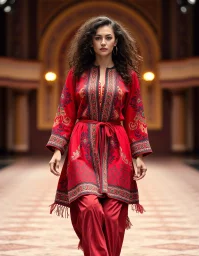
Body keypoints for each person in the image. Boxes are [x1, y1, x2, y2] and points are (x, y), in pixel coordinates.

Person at [46, 16, 152, 256]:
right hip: (82, 144)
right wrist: (57, 150)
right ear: (90, 42)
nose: (103, 42)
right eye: (98, 38)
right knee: (89, 206)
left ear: (116, 42)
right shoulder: (77, 74)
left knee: (114, 213)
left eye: (108, 38)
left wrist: (140, 155)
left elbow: (136, 113)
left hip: (118, 146)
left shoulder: (129, 76)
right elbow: (65, 110)